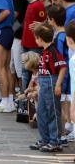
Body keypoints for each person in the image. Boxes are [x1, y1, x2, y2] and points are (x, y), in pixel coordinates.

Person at [29, 22, 66, 153]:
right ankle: (45, 138)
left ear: (39, 38)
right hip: (44, 83)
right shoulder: (45, 51)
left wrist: (58, 84)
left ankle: (55, 141)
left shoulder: (52, 51)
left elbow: (62, 66)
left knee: (52, 112)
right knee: (41, 112)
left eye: (35, 37)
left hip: (51, 82)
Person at [47, 4, 70, 146]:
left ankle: (61, 135)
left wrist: (59, 81)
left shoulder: (60, 37)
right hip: (63, 75)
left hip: (61, 77)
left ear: (53, 20)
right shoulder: (62, 34)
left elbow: (60, 59)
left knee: (59, 106)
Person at [2, 0, 28, 95]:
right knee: (11, 65)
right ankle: (12, 92)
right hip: (14, 34)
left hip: (19, 34)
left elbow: (14, 16)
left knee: (18, 66)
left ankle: (22, 93)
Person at [20, 0, 47, 90]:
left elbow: (44, 23)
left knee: (32, 69)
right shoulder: (30, 4)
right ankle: (24, 92)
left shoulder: (38, 5)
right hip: (26, 41)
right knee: (24, 69)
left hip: (34, 44)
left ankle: (28, 93)